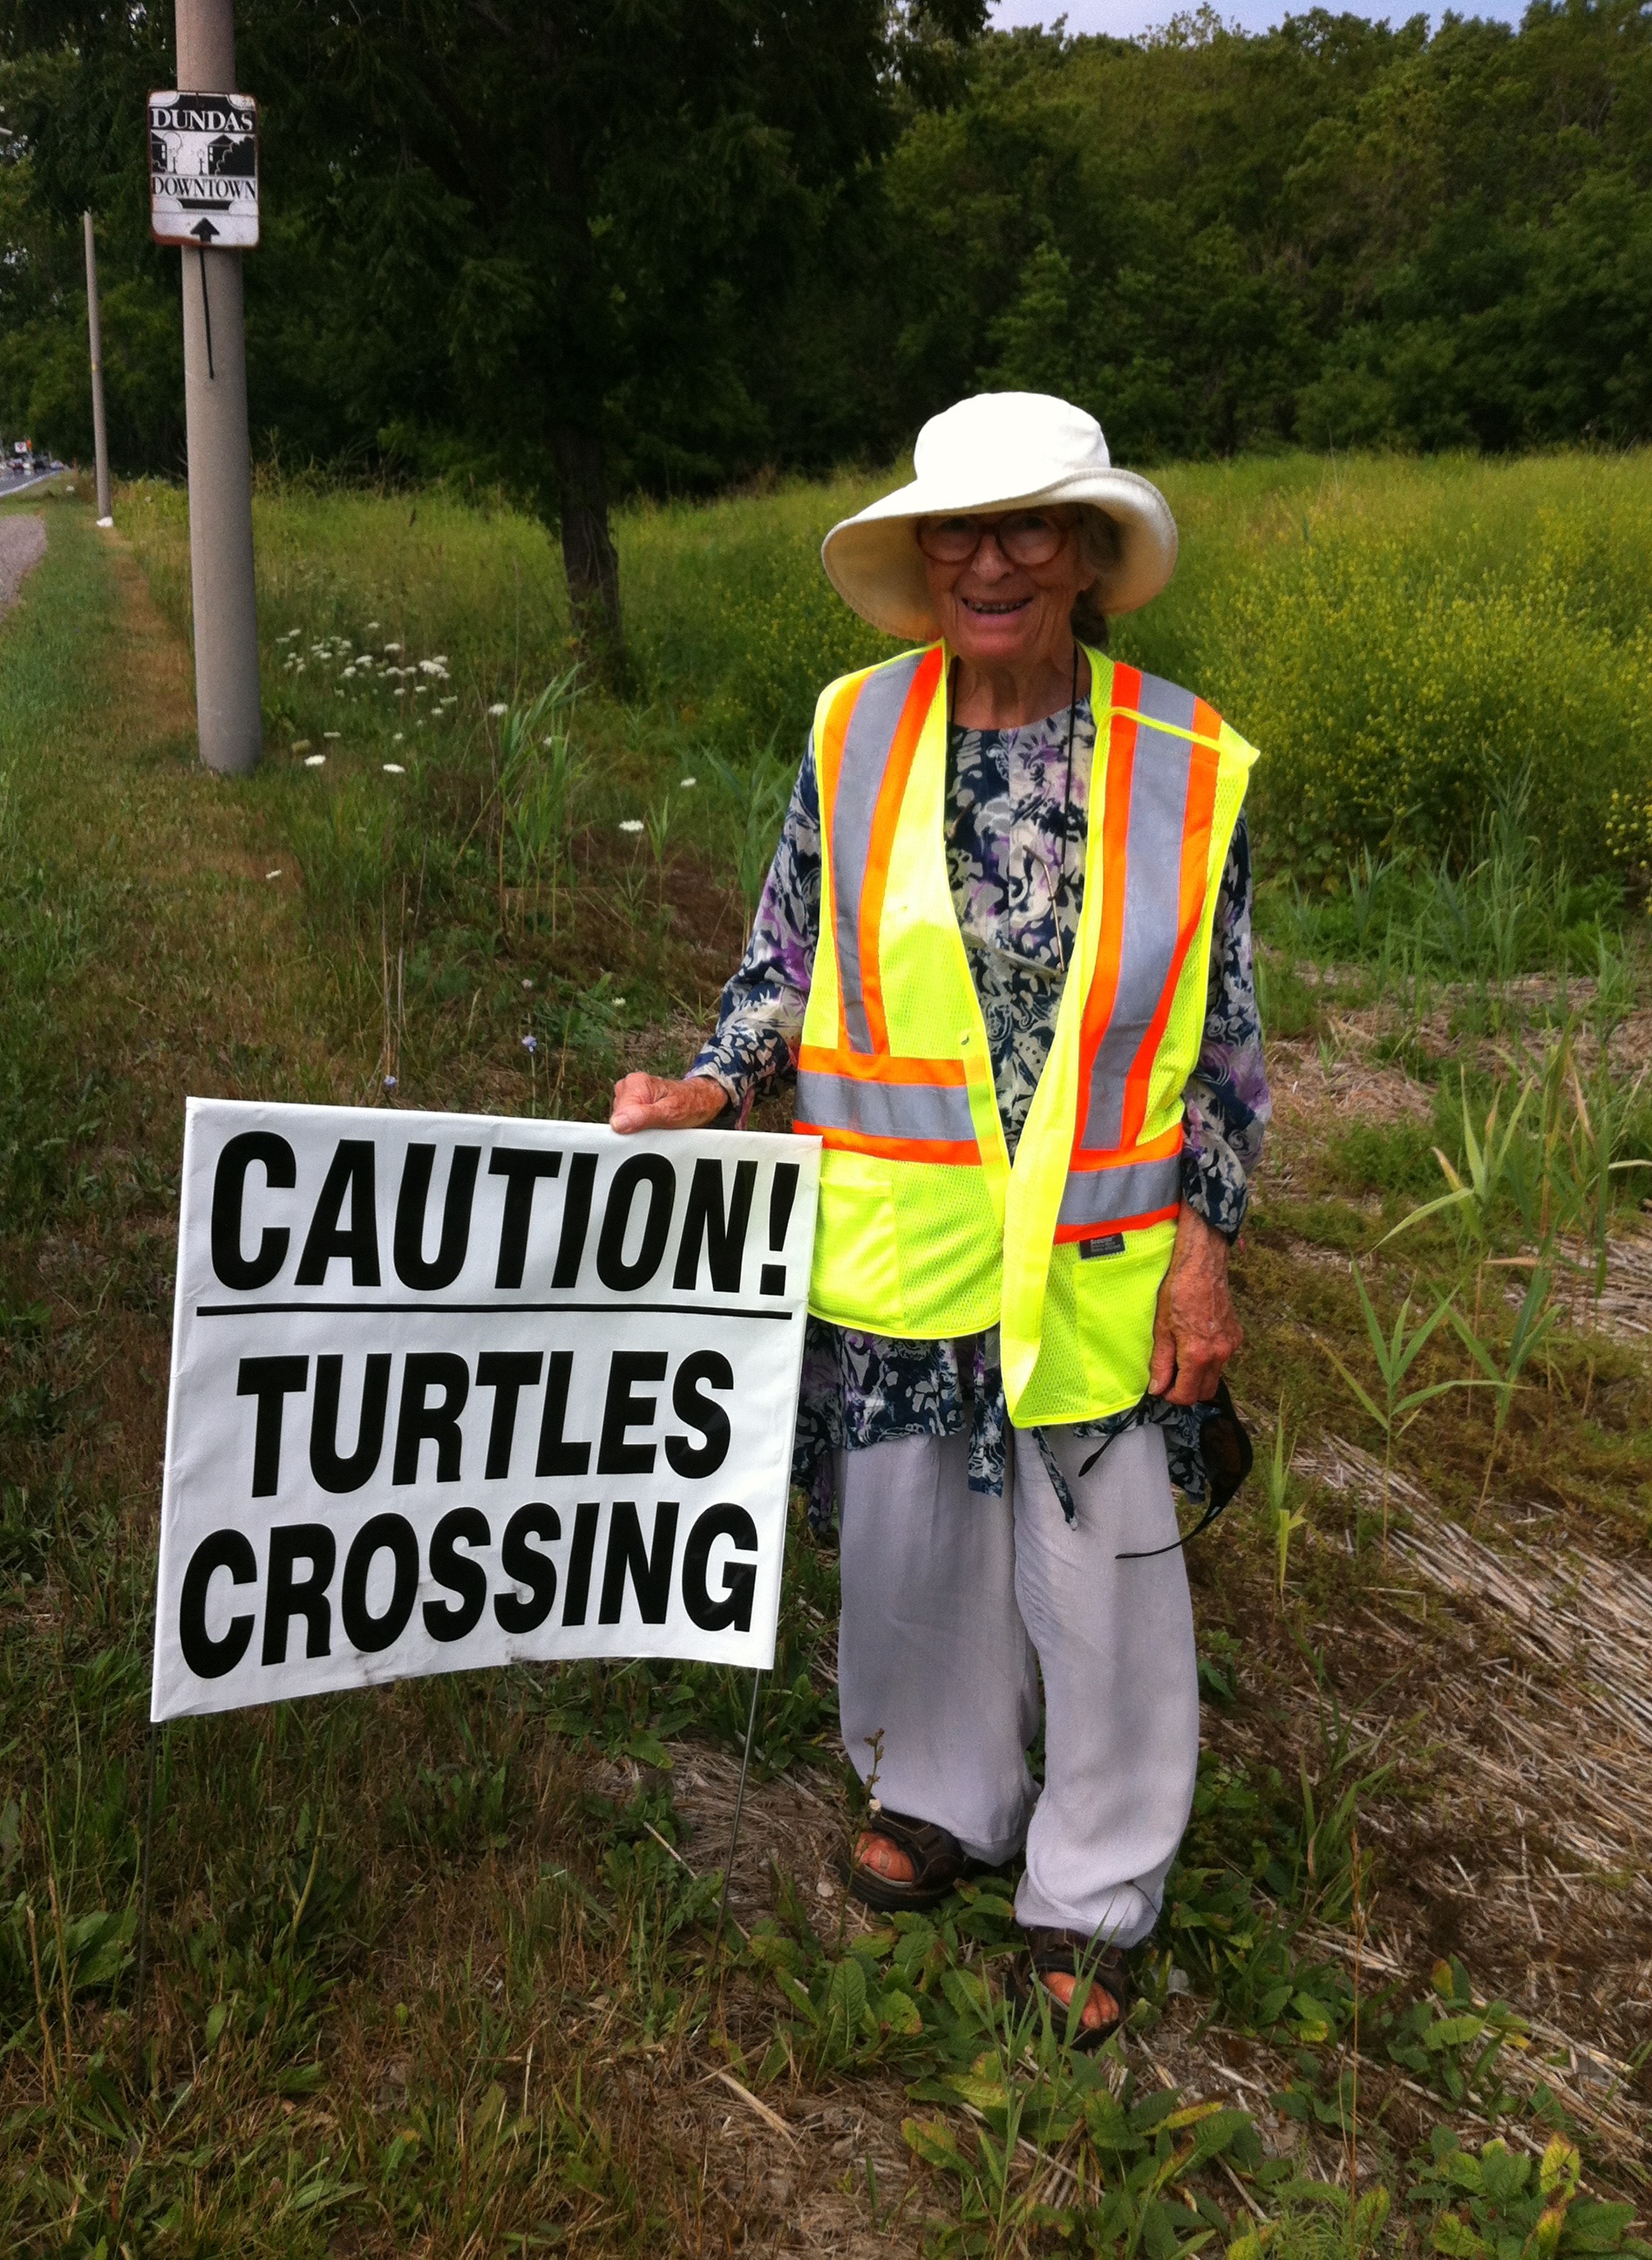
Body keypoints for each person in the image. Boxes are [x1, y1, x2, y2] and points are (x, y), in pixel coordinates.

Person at [610, 391, 1269, 2043]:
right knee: (909, 1551)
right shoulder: (855, 730)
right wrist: (712, 1084)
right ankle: (938, 1799)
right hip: (904, 1242)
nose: (990, 563)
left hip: (1101, 1263)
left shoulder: (1184, 761)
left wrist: (1206, 1249)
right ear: (923, 560)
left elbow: (1229, 1043)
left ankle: (1096, 1887)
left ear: (1089, 556)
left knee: (1106, 1579)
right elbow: (785, 963)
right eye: (958, 533)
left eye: (1028, 528)